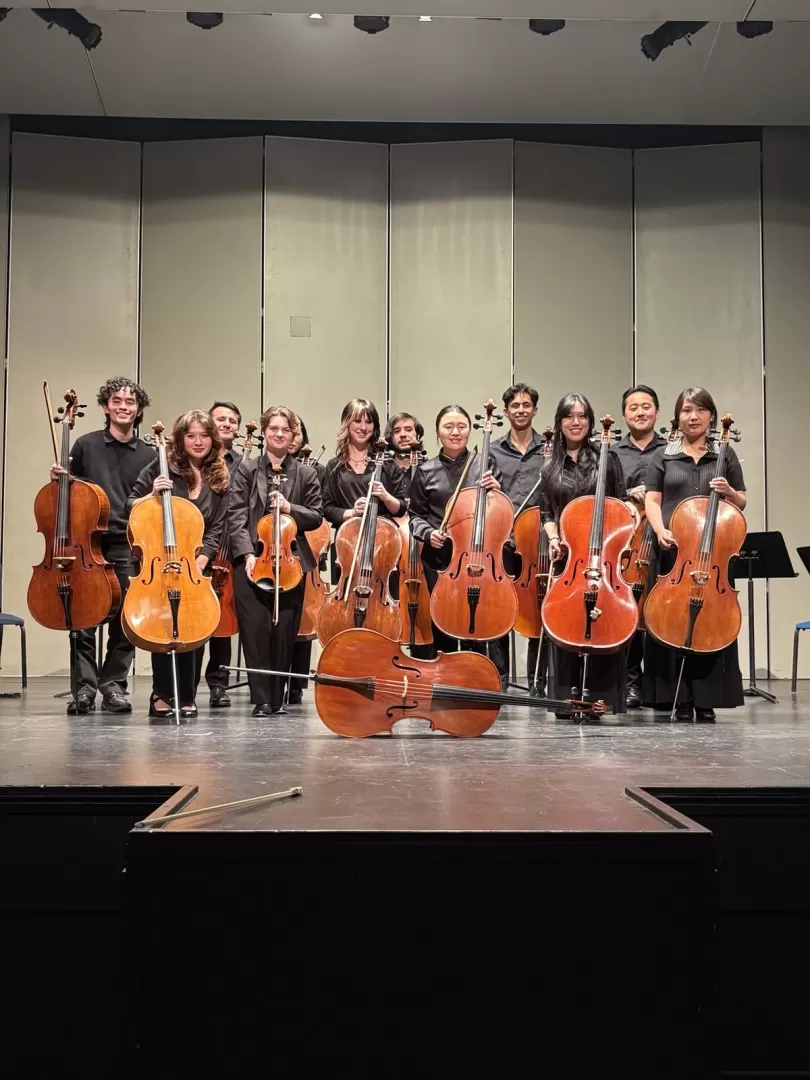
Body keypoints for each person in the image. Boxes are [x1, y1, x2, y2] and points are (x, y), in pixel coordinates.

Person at [50, 377, 154, 715]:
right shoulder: (85, 445)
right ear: (105, 407)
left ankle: (113, 687)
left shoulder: (150, 454)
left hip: (128, 543)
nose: (123, 406)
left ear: (138, 409)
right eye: (116, 401)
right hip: (87, 544)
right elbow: (68, 492)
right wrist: (58, 479)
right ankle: (84, 689)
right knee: (83, 619)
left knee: (125, 621)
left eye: (130, 402)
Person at [643, 387, 746, 722]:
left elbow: (741, 500)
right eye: (687, 410)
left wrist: (729, 492)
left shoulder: (724, 454)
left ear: (711, 416)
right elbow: (652, 499)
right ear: (678, 417)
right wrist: (660, 530)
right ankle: (678, 698)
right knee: (669, 620)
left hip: (713, 554)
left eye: (700, 410)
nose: (693, 416)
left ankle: (706, 699)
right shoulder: (664, 455)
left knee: (710, 622)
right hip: (674, 551)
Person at [126, 410, 229, 718]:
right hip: (162, 561)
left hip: (196, 563)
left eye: (204, 435)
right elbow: (130, 505)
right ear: (180, 440)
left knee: (195, 627)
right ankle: (161, 693)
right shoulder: (161, 467)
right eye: (191, 435)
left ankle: (187, 695)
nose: (198, 442)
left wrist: (202, 559)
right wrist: (151, 494)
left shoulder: (219, 476)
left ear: (213, 439)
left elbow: (218, 526)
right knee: (161, 625)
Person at [538, 393, 634, 715]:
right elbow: (546, 512)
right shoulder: (550, 466)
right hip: (570, 557)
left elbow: (621, 503)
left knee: (606, 618)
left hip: (603, 556)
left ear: (591, 422)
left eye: (582, 416)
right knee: (565, 620)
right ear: (559, 422)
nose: (575, 422)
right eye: (569, 416)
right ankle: (566, 699)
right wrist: (554, 538)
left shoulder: (608, 458)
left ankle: (602, 698)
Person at [229, 406, 323, 716]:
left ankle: (278, 697)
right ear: (265, 433)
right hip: (253, 558)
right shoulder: (246, 469)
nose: (279, 434)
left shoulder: (307, 473)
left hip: (291, 560)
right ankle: (260, 699)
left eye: (285, 429)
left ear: (293, 435)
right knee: (255, 629)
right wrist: (247, 555)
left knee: (285, 631)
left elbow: (316, 516)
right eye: (273, 429)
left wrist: (290, 507)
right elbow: (236, 515)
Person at [407, 404, 507, 680]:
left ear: (470, 431)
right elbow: (415, 516)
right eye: (448, 426)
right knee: (445, 621)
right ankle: (447, 678)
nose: (455, 432)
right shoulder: (426, 470)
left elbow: (500, 510)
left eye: (461, 426)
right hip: (441, 558)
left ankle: (483, 678)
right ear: (438, 432)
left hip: (479, 556)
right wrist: (429, 533)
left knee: (482, 618)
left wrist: (497, 491)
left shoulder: (484, 464)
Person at [490, 382, 548, 694]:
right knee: (499, 607)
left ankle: (539, 680)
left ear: (535, 410)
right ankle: (498, 677)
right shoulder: (493, 450)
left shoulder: (550, 449)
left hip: (539, 541)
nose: (521, 410)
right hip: (503, 539)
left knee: (540, 607)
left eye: (527, 405)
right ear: (506, 412)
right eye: (515, 405)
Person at [614, 384, 667, 710]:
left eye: (646, 406)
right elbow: (606, 495)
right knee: (630, 611)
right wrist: (627, 496)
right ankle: (631, 682)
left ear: (657, 412)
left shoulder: (670, 449)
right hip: (628, 543)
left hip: (661, 537)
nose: (640, 412)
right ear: (624, 415)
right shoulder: (614, 452)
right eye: (633, 407)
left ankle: (660, 687)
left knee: (661, 608)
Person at [194, 400, 246, 708]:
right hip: (199, 545)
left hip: (230, 549)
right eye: (220, 419)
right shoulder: (200, 459)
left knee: (223, 620)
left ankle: (218, 683)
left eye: (232, 420)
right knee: (195, 616)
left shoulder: (244, 462)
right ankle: (187, 682)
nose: (226, 424)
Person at [287, 414, 326, 707]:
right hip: (276, 549)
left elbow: (318, 512)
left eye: (297, 431)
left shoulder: (316, 470)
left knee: (303, 621)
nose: (292, 436)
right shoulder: (268, 468)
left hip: (307, 547)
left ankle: (297, 684)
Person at [385, 412, 425, 495]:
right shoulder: (383, 469)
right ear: (390, 438)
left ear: (418, 436)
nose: (403, 435)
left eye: (408, 430)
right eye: (397, 431)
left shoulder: (427, 469)